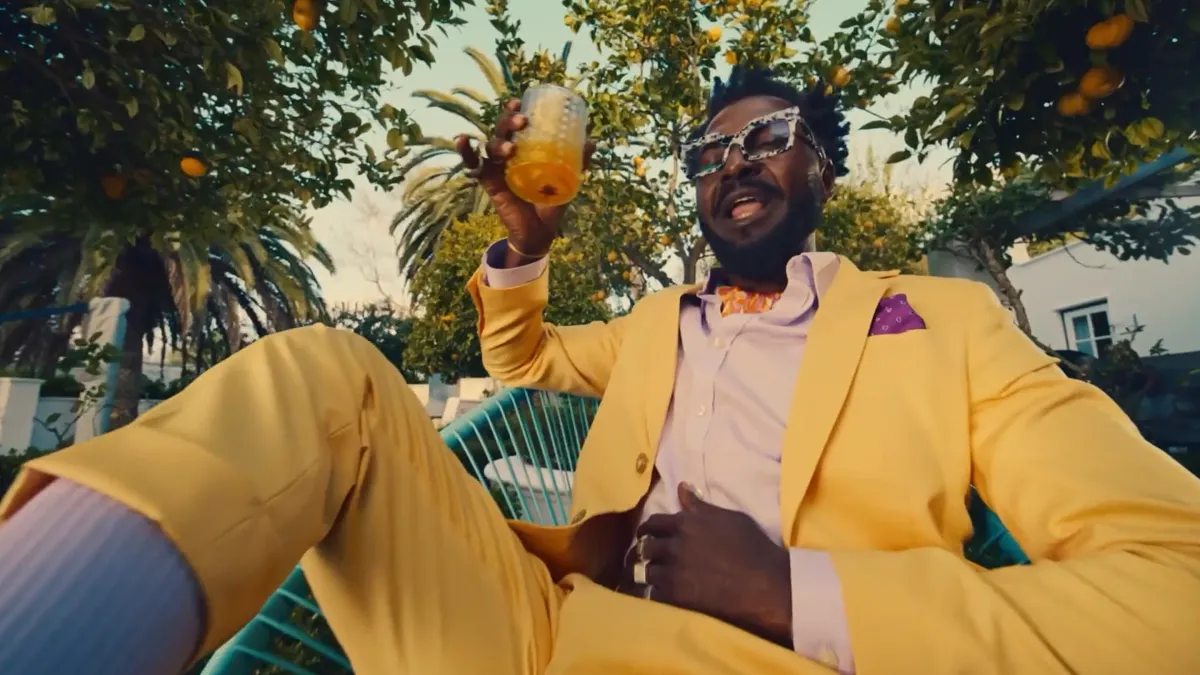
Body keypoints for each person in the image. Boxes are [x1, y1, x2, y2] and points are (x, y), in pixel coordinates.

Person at [2, 67, 1199, 675]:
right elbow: (519, 352)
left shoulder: (945, 321)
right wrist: (523, 257)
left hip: (771, 657)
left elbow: (1176, 591)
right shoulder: (652, 325)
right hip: (543, 627)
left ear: (824, 167)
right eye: (709, 148)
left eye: (768, 137)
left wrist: (798, 590)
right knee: (325, 373)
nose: (732, 161)